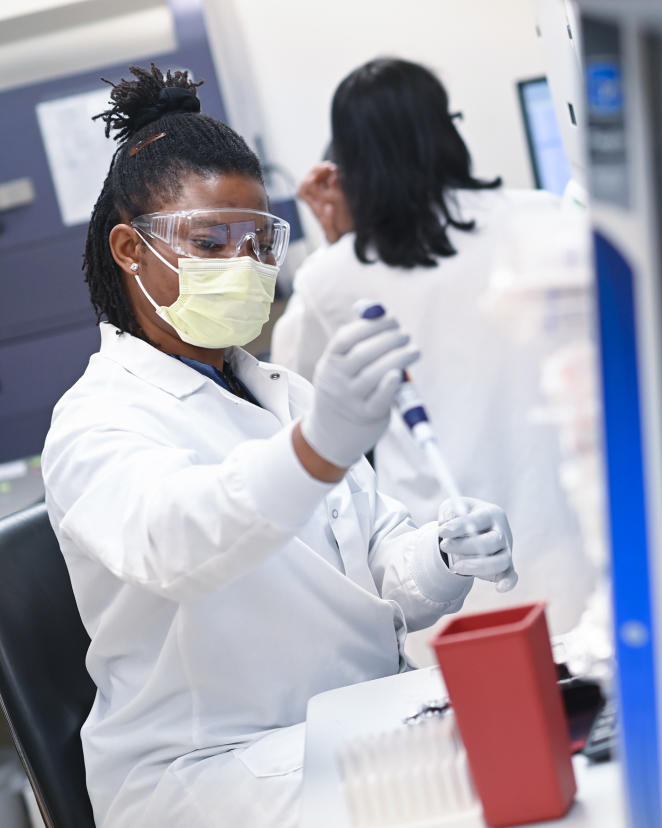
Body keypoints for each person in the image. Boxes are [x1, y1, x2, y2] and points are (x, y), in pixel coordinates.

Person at [42, 65, 516, 828]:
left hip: (347, 726)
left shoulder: (279, 391)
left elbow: (379, 578)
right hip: (207, 777)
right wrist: (314, 453)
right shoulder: (96, 421)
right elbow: (178, 540)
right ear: (130, 250)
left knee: (535, 747)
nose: (246, 266)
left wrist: (442, 553)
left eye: (259, 240)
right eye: (210, 242)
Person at [271, 59, 592, 650]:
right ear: (448, 132)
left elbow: (288, 399)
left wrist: (337, 239)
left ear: (347, 166)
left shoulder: (333, 277)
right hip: (576, 556)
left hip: (443, 578)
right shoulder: (544, 219)